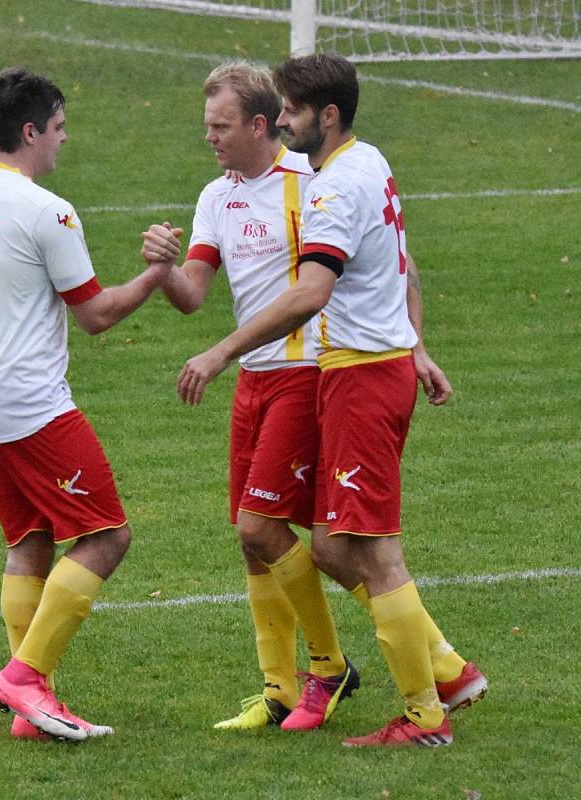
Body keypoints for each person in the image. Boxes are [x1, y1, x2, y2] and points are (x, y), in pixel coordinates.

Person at [143, 62, 473, 735]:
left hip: (314, 374)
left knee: (286, 532)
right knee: (302, 544)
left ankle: (347, 681)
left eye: (220, 125)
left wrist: (413, 346)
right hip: (267, 382)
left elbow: (377, 272)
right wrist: (159, 271)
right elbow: (194, 293)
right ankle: (311, 684)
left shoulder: (318, 184)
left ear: (264, 123)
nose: (208, 137)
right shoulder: (222, 195)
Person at [0, 67, 179, 743]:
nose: (65, 140)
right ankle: (24, 677)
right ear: (31, 131)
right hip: (34, 406)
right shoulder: (48, 210)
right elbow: (96, 314)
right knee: (107, 534)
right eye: (59, 127)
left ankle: (29, 712)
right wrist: (156, 272)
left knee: (30, 542)